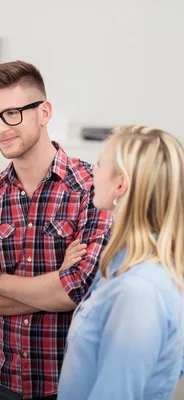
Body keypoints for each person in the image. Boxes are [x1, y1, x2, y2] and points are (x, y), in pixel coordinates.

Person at [0, 61, 112, 400]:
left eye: (12, 113)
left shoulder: (92, 188)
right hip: (6, 384)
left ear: (44, 112)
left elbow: (75, 293)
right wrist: (55, 282)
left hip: (73, 383)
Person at [58, 126, 184, 400]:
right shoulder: (121, 263)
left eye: (100, 163)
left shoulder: (139, 291)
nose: (93, 170)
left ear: (120, 185)